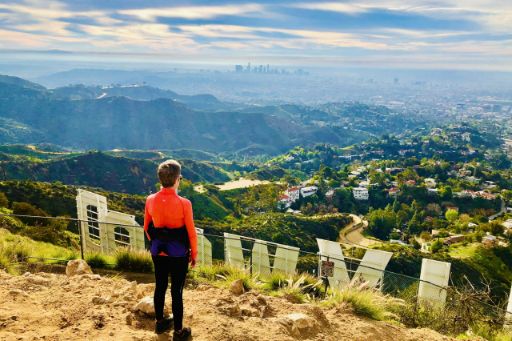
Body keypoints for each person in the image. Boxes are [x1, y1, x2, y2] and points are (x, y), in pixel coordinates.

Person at [144, 160, 197, 340]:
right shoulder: (184, 203)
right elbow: (191, 233)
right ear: (177, 180)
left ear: (160, 179)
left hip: (157, 252)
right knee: (177, 291)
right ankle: (179, 332)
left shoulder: (150, 200)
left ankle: (160, 323)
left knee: (160, 286)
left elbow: (146, 228)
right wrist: (194, 254)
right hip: (178, 254)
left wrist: (158, 243)